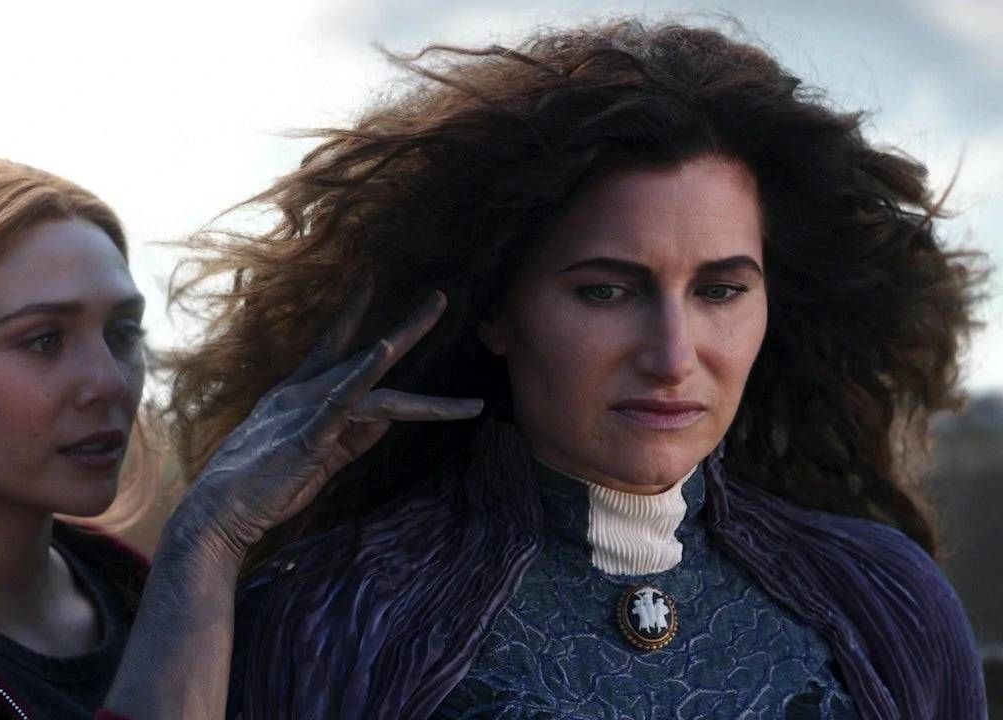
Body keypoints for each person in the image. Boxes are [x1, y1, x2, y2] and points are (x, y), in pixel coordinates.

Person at [164, 20, 989, 719]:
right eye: (606, 291)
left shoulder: (885, 600)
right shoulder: (334, 616)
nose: (673, 356)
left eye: (720, 291)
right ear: (496, 310)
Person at [0, 154, 479, 719]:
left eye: (122, 332)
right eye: (44, 340)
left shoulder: (145, 604)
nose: (111, 381)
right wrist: (206, 542)